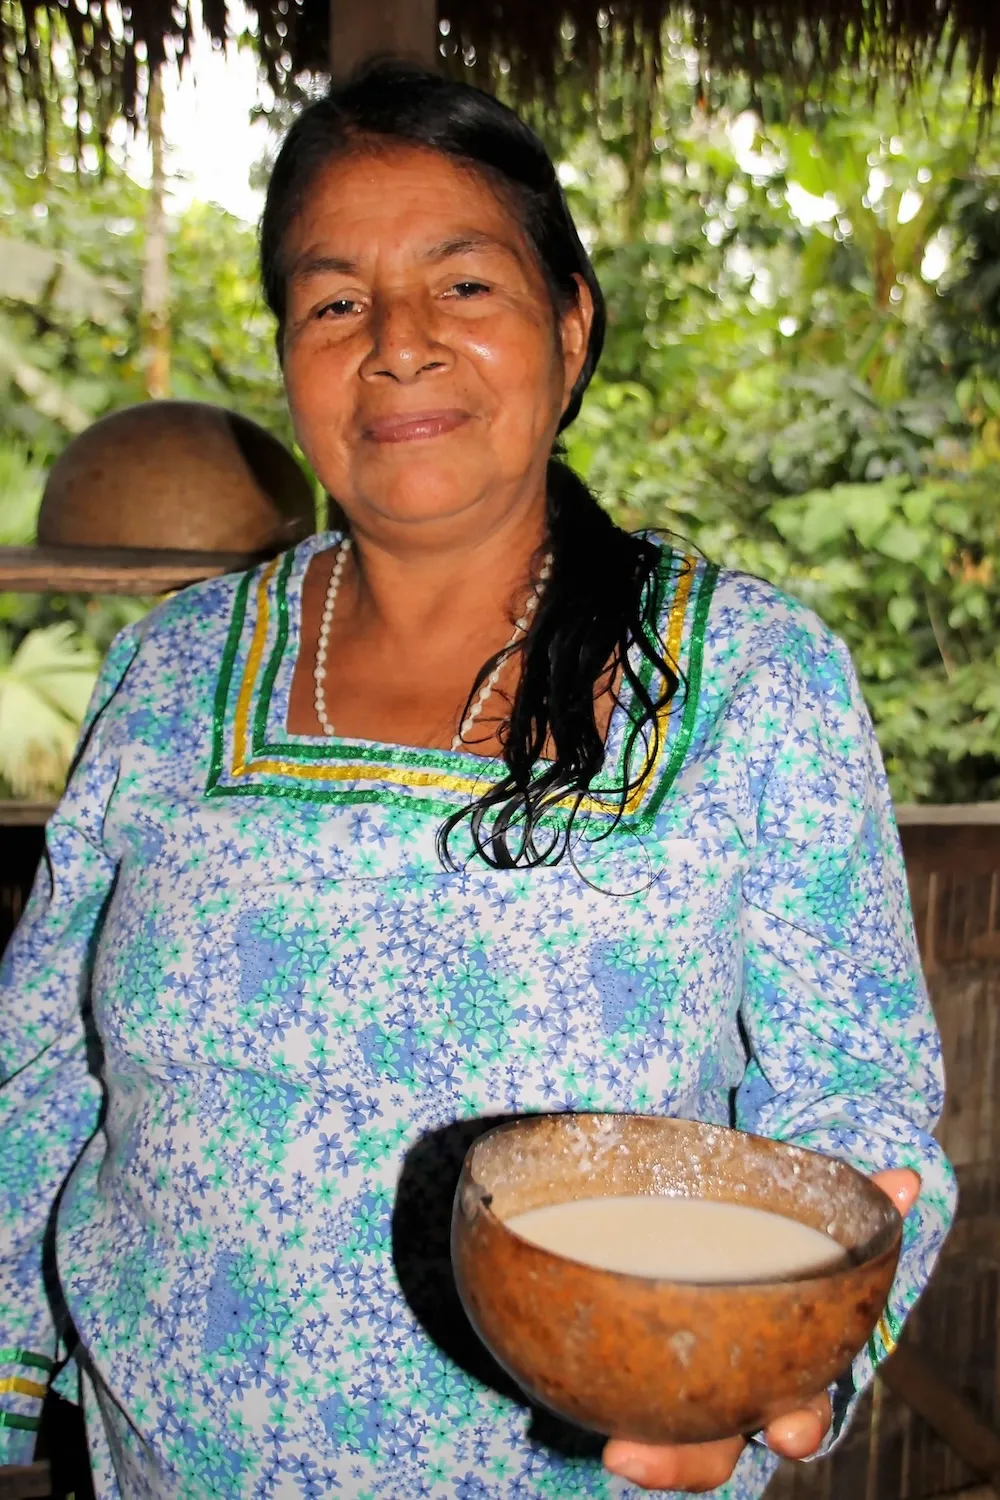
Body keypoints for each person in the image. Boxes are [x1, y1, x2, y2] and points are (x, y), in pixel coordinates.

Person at [0, 62, 954, 1500]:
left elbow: (859, 1102)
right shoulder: (173, 671)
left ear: (571, 327)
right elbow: (40, 1074)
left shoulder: (753, 680)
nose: (398, 346)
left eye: (462, 286)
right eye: (336, 303)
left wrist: (775, 1364)